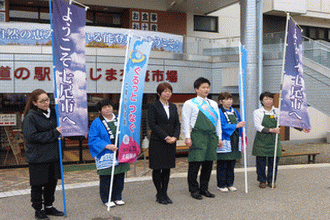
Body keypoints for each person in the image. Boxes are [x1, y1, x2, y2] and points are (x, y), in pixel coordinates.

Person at [22, 89, 64, 220]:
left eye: (47, 99)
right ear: (34, 103)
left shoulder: (54, 113)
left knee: (52, 183)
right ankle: (38, 209)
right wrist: (55, 133)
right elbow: (32, 136)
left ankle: (49, 206)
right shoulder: (31, 117)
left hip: (53, 155)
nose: (46, 103)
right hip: (38, 157)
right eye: (42, 101)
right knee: (38, 184)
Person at [182, 77, 223, 200]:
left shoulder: (213, 104)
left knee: (208, 164)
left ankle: (204, 188)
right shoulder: (190, 103)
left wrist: (219, 137)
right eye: (203, 87)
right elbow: (186, 121)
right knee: (195, 163)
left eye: (207, 87)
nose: (206, 90)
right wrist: (187, 137)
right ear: (196, 89)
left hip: (211, 136)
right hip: (198, 135)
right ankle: (193, 189)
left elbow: (218, 122)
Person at [88, 99, 130, 208]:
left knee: (120, 176)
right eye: (105, 107)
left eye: (109, 106)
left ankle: (117, 197)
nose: (108, 109)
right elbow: (93, 139)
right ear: (100, 110)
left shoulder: (120, 119)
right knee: (106, 177)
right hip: (105, 153)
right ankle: (106, 198)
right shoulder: (96, 122)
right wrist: (107, 145)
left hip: (120, 152)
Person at [148, 82, 181, 205]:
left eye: (169, 91)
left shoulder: (173, 106)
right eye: (165, 91)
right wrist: (166, 136)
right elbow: (152, 124)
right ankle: (159, 193)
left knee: (167, 168)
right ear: (159, 93)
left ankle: (165, 193)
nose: (168, 93)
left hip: (171, 142)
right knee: (157, 168)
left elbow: (177, 123)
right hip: (158, 141)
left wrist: (175, 137)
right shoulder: (153, 106)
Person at [216, 92, 245, 192]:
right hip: (225, 139)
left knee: (232, 164)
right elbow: (221, 126)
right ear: (221, 101)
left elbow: (240, 124)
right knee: (223, 163)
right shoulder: (219, 112)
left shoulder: (235, 112)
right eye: (226, 99)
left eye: (230, 99)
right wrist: (236, 126)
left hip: (235, 140)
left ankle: (230, 183)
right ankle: (221, 184)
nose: (229, 101)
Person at [252, 92, 281, 188]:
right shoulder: (257, 112)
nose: (269, 101)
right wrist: (271, 130)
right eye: (266, 99)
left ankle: (271, 180)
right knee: (261, 163)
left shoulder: (277, 111)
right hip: (262, 139)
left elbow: (287, 120)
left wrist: (301, 128)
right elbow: (258, 126)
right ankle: (262, 180)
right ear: (261, 101)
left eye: (270, 99)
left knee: (273, 162)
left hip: (274, 140)